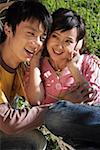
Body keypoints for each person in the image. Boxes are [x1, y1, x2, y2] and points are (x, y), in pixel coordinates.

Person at [25, 8, 100, 149]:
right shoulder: (39, 68)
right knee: (54, 117)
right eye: (55, 36)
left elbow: (91, 97)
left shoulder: (87, 63)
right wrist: (35, 61)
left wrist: (73, 68)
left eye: (68, 41)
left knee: (54, 116)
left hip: (93, 121)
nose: (60, 45)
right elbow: (36, 102)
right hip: (72, 135)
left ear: (77, 44)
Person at [0, 0, 52, 149]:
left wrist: (83, 64)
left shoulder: (23, 68)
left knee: (36, 140)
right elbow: (8, 122)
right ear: (8, 28)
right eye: (31, 33)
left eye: (42, 38)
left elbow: (38, 101)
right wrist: (56, 110)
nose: (37, 43)